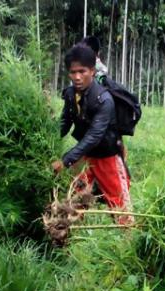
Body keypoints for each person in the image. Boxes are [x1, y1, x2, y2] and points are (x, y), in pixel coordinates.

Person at [51, 44, 131, 222]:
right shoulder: (71, 94)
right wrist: (47, 139)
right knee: (74, 201)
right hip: (85, 156)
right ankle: (69, 241)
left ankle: (130, 243)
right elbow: (65, 122)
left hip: (107, 157)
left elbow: (94, 136)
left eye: (82, 71)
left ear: (93, 71)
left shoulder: (104, 100)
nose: (77, 77)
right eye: (73, 72)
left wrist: (65, 160)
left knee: (121, 208)